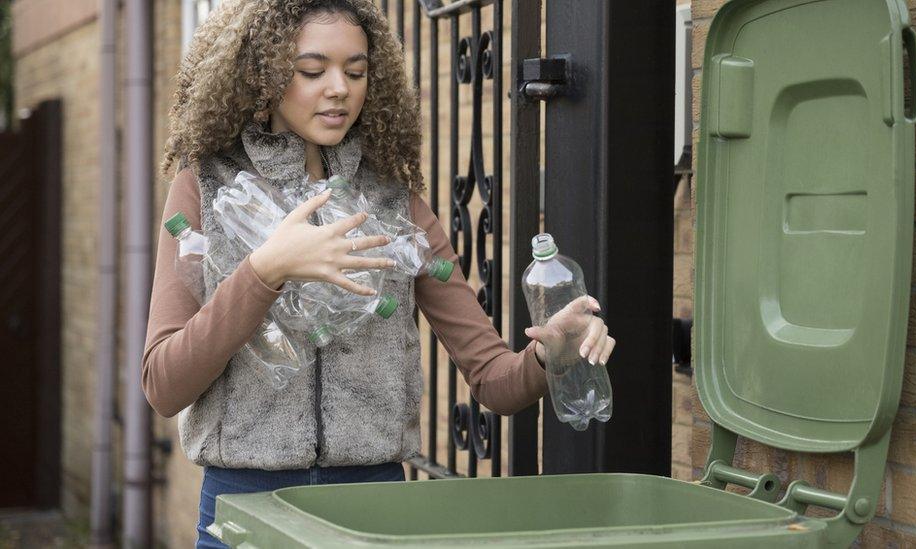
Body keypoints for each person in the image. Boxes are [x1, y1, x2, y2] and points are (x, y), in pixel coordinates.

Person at [143, 1, 615, 546]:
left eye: (357, 71)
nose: (340, 88)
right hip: (243, 509)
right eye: (312, 71)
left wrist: (548, 355)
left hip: (374, 512)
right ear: (263, 73)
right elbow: (163, 385)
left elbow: (495, 382)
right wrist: (265, 270)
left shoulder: (394, 200)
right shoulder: (206, 189)